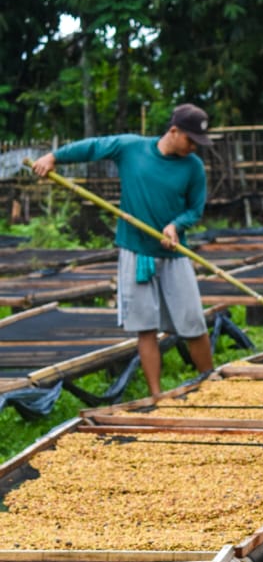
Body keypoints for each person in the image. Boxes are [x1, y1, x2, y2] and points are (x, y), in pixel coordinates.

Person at [31, 103, 215, 396]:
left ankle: (211, 384)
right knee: (145, 327)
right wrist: (54, 157)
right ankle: (157, 396)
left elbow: (195, 209)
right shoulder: (132, 148)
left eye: (198, 142)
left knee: (193, 322)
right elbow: (92, 147)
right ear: (174, 131)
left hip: (175, 254)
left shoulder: (193, 167)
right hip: (135, 251)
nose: (193, 147)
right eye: (190, 140)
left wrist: (176, 225)